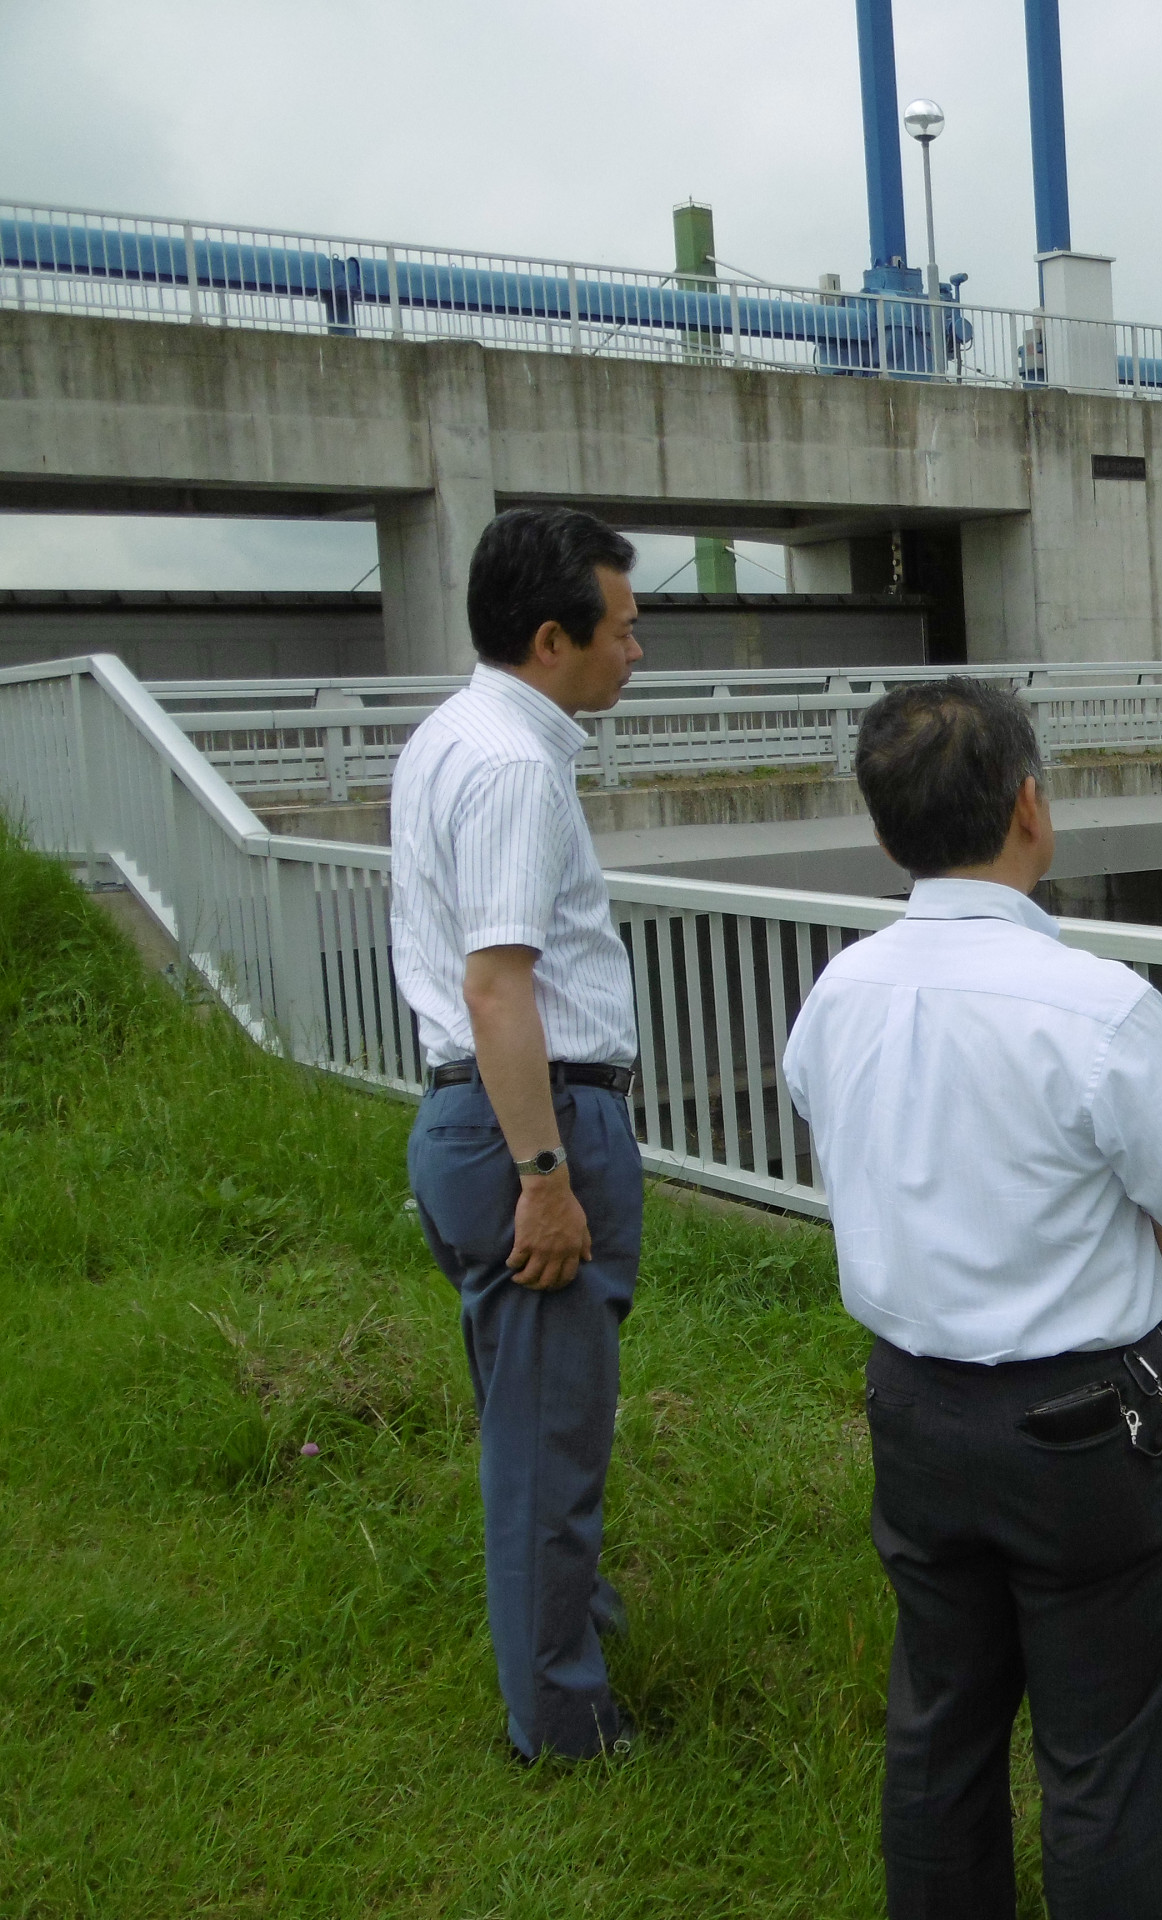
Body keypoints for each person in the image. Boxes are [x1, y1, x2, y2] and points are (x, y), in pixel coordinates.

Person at [782, 678, 1162, 1920]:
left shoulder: (842, 988)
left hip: (913, 1407)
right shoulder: (1097, 1004)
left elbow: (828, 1118)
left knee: (938, 1723)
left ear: (887, 834)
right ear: (1032, 807)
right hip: (1081, 1427)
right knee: (1102, 1756)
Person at [390, 505, 646, 1762]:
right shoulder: (513, 765)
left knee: (532, 1423)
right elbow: (501, 986)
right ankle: (564, 1725)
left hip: (474, 1117)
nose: (636, 652)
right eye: (624, 629)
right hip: (524, 1125)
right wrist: (546, 1175)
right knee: (547, 1451)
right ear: (553, 638)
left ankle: (569, 1647)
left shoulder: (455, 731)